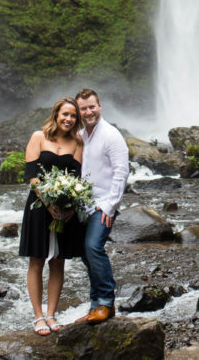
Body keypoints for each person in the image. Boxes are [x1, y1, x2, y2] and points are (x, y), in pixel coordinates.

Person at [19, 96, 86, 336]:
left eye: (73, 116)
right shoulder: (39, 137)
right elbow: (31, 174)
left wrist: (68, 207)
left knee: (58, 261)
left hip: (65, 207)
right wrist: (48, 201)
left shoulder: (78, 142)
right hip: (39, 206)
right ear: (56, 114)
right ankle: (38, 317)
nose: (68, 119)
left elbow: (77, 177)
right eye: (65, 114)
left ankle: (52, 314)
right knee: (36, 260)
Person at [74, 88, 130, 324]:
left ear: (100, 106)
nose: (88, 112)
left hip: (104, 203)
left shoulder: (111, 134)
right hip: (84, 204)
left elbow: (122, 171)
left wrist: (110, 206)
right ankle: (96, 303)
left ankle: (106, 301)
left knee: (93, 247)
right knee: (86, 254)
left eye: (92, 107)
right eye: (84, 108)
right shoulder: (81, 134)